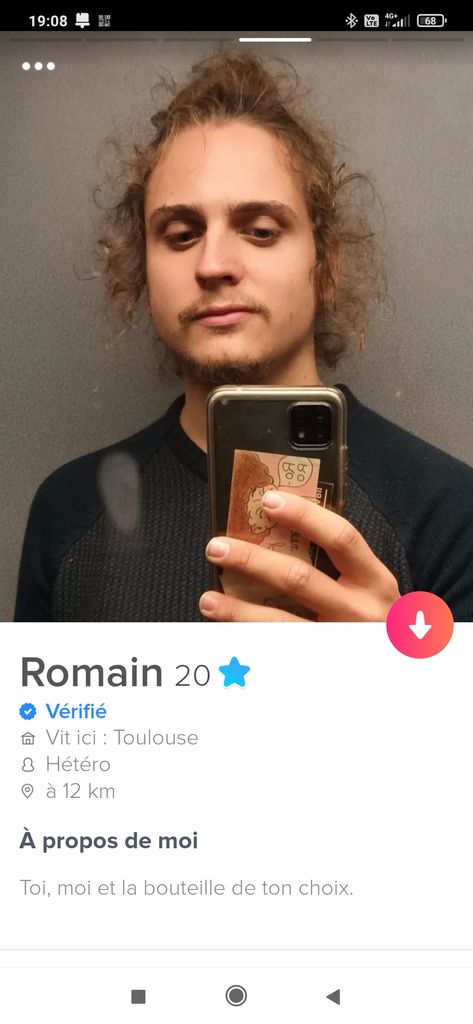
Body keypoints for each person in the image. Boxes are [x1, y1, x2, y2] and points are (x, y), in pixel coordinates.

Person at [14, 50, 473, 622]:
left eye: (259, 230)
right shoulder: (67, 511)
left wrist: (396, 669)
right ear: (143, 272)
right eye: (181, 235)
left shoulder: (449, 512)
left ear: (326, 265)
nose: (213, 265)